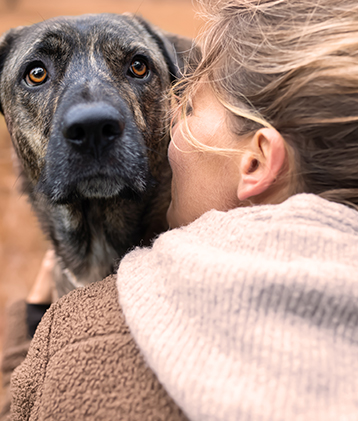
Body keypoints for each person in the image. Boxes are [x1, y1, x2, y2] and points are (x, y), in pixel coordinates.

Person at [2, 0, 358, 419]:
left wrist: (26, 323)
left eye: (137, 69)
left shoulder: (86, 342)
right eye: (37, 74)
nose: (91, 111)